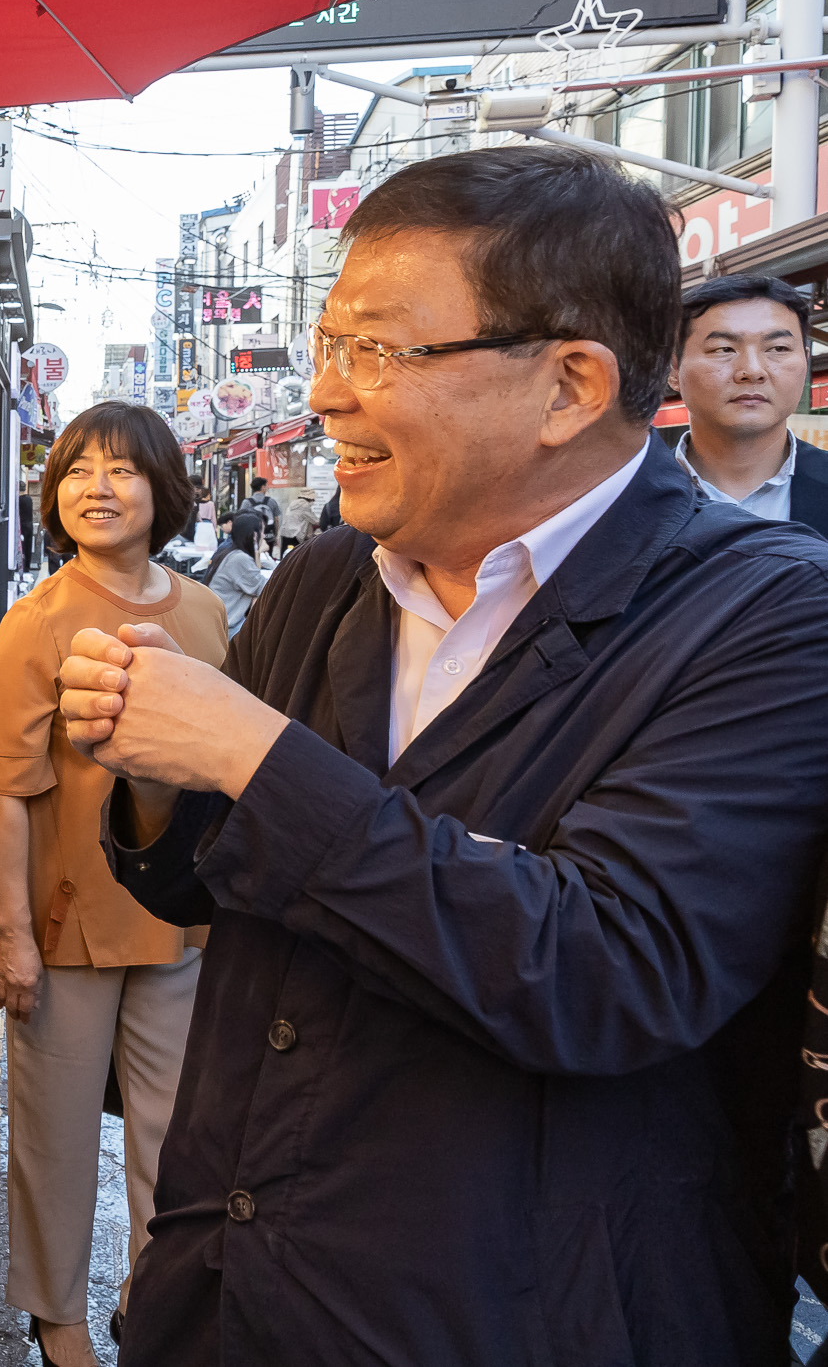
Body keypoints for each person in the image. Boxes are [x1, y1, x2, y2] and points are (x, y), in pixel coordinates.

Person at [56, 145, 828, 1365]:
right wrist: (157, 769)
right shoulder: (327, 578)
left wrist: (251, 754)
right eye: (324, 348)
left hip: (526, 1315)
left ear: (570, 383)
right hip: (231, 1292)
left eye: (377, 350)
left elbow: (607, 964)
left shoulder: (769, 618)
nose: (324, 395)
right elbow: (201, 883)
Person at [0, 400, 224, 1367]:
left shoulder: (203, 612)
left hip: (182, 926)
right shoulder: (35, 621)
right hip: (66, 928)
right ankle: (57, 1318)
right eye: (79, 469)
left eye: (122, 469)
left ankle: (149, 1299)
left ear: (164, 489)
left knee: (178, 1140)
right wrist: (11, 936)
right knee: (56, 1134)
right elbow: (5, 792)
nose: (98, 487)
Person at [674, 272, 828, 536]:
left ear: (804, 363)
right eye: (723, 349)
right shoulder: (626, 497)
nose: (752, 370)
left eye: (778, 348)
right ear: (672, 370)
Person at [203, 509, 264, 632]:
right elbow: (264, 588)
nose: (263, 536)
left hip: (216, 621)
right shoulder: (240, 559)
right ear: (254, 535)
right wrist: (258, 550)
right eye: (262, 532)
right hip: (227, 627)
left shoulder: (229, 551)